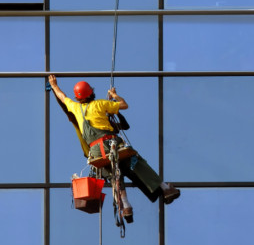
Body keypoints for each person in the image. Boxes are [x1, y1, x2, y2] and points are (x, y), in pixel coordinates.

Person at [48, 75, 180, 222]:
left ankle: (126, 206)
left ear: (78, 97)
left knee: (114, 175)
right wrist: (114, 96)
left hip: (96, 152)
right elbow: (124, 105)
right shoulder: (100, 104)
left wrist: (54, 85)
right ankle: (165, 189)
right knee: (136, 162)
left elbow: (62, 97)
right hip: (110, 144)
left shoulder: (75, 107)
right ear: (91, 93)